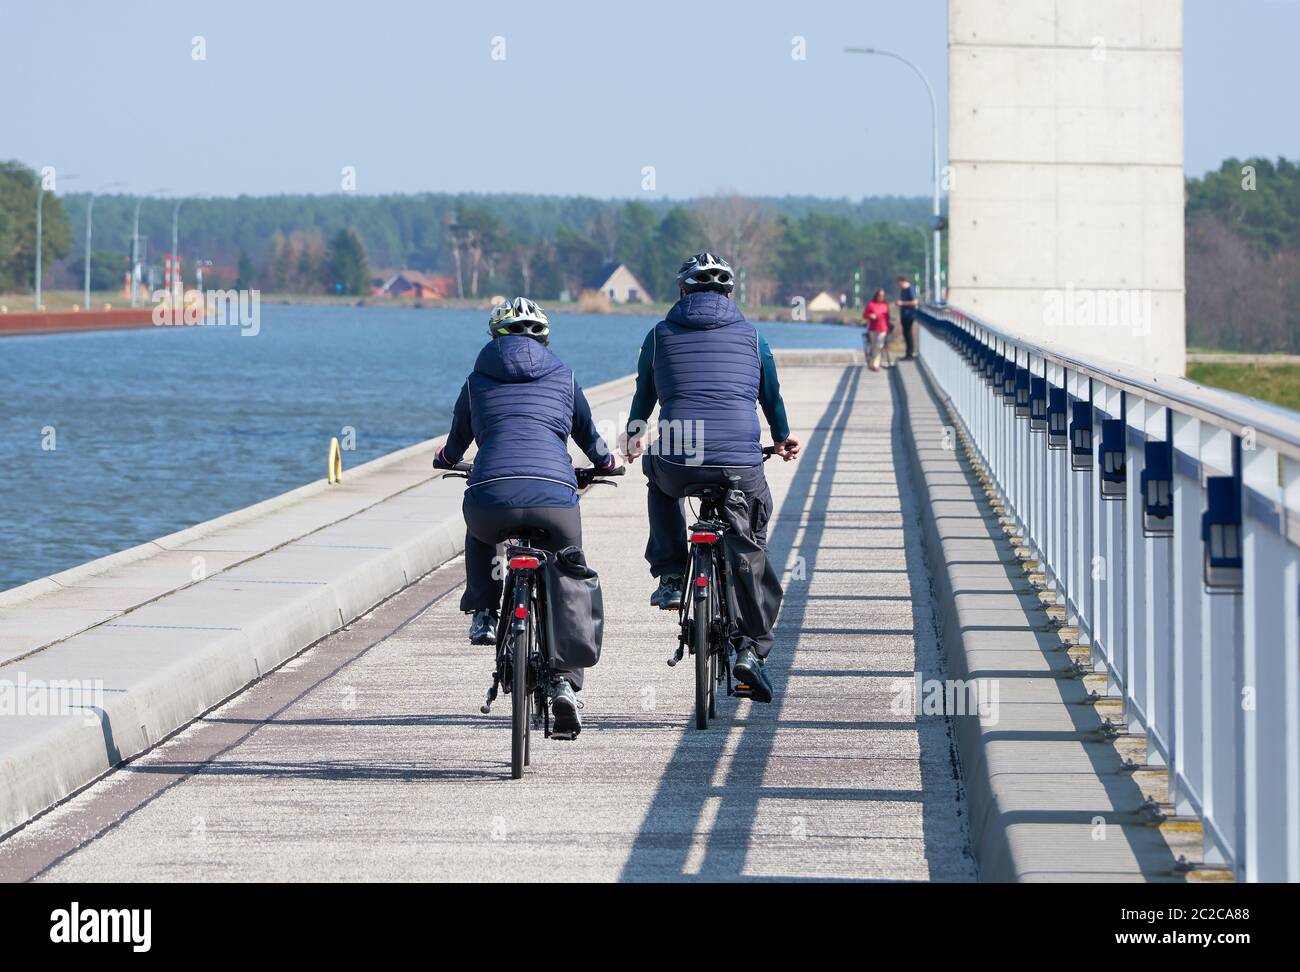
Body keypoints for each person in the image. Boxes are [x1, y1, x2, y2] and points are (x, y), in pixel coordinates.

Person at [433, 297, 617, 737]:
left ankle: (484, 611)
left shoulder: (478, 380)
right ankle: (565, 685)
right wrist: (607, 465)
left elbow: (456, 443)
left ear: (495, 338)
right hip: (553, 495)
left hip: (492, 492)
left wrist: (444, 457)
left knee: (480, 528)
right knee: (568, 570)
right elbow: (591, 439)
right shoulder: (565, 377)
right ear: (545, 339)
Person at [621, 252, 799, 704]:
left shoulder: (659, 335)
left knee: (659, 482)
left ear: (682, 292)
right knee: (750, 536)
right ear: (729, 294)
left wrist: (634, 437)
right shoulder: (753, 336)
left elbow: (645, 393)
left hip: (680, 454)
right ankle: (748, 650)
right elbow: (770, 395)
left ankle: (670, 575)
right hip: (739, 461)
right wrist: (780, 439)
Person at [863, 288, 892, 371]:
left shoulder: (885, 305)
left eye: (883, 295)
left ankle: (876, 364)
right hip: (873, 328)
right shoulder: (871, 304)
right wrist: (870, 316)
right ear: (876, 295)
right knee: (873, 346)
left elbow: (887, 317)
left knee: (879, 345)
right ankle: (872, 363)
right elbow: (865, 315)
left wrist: (888, 327)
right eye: (880, 295)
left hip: (883, 328)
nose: (881, 297)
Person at [894, 275, 919, 359]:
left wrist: (902, 303)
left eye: (899, 283)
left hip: (909, 315)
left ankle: (910, 353)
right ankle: (908, 353)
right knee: (905, 334)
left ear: (902, 281)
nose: (899, 286)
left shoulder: (909, 289)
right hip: (904, 315)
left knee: (908, 334)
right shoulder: (903, 290)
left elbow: (915, 302)